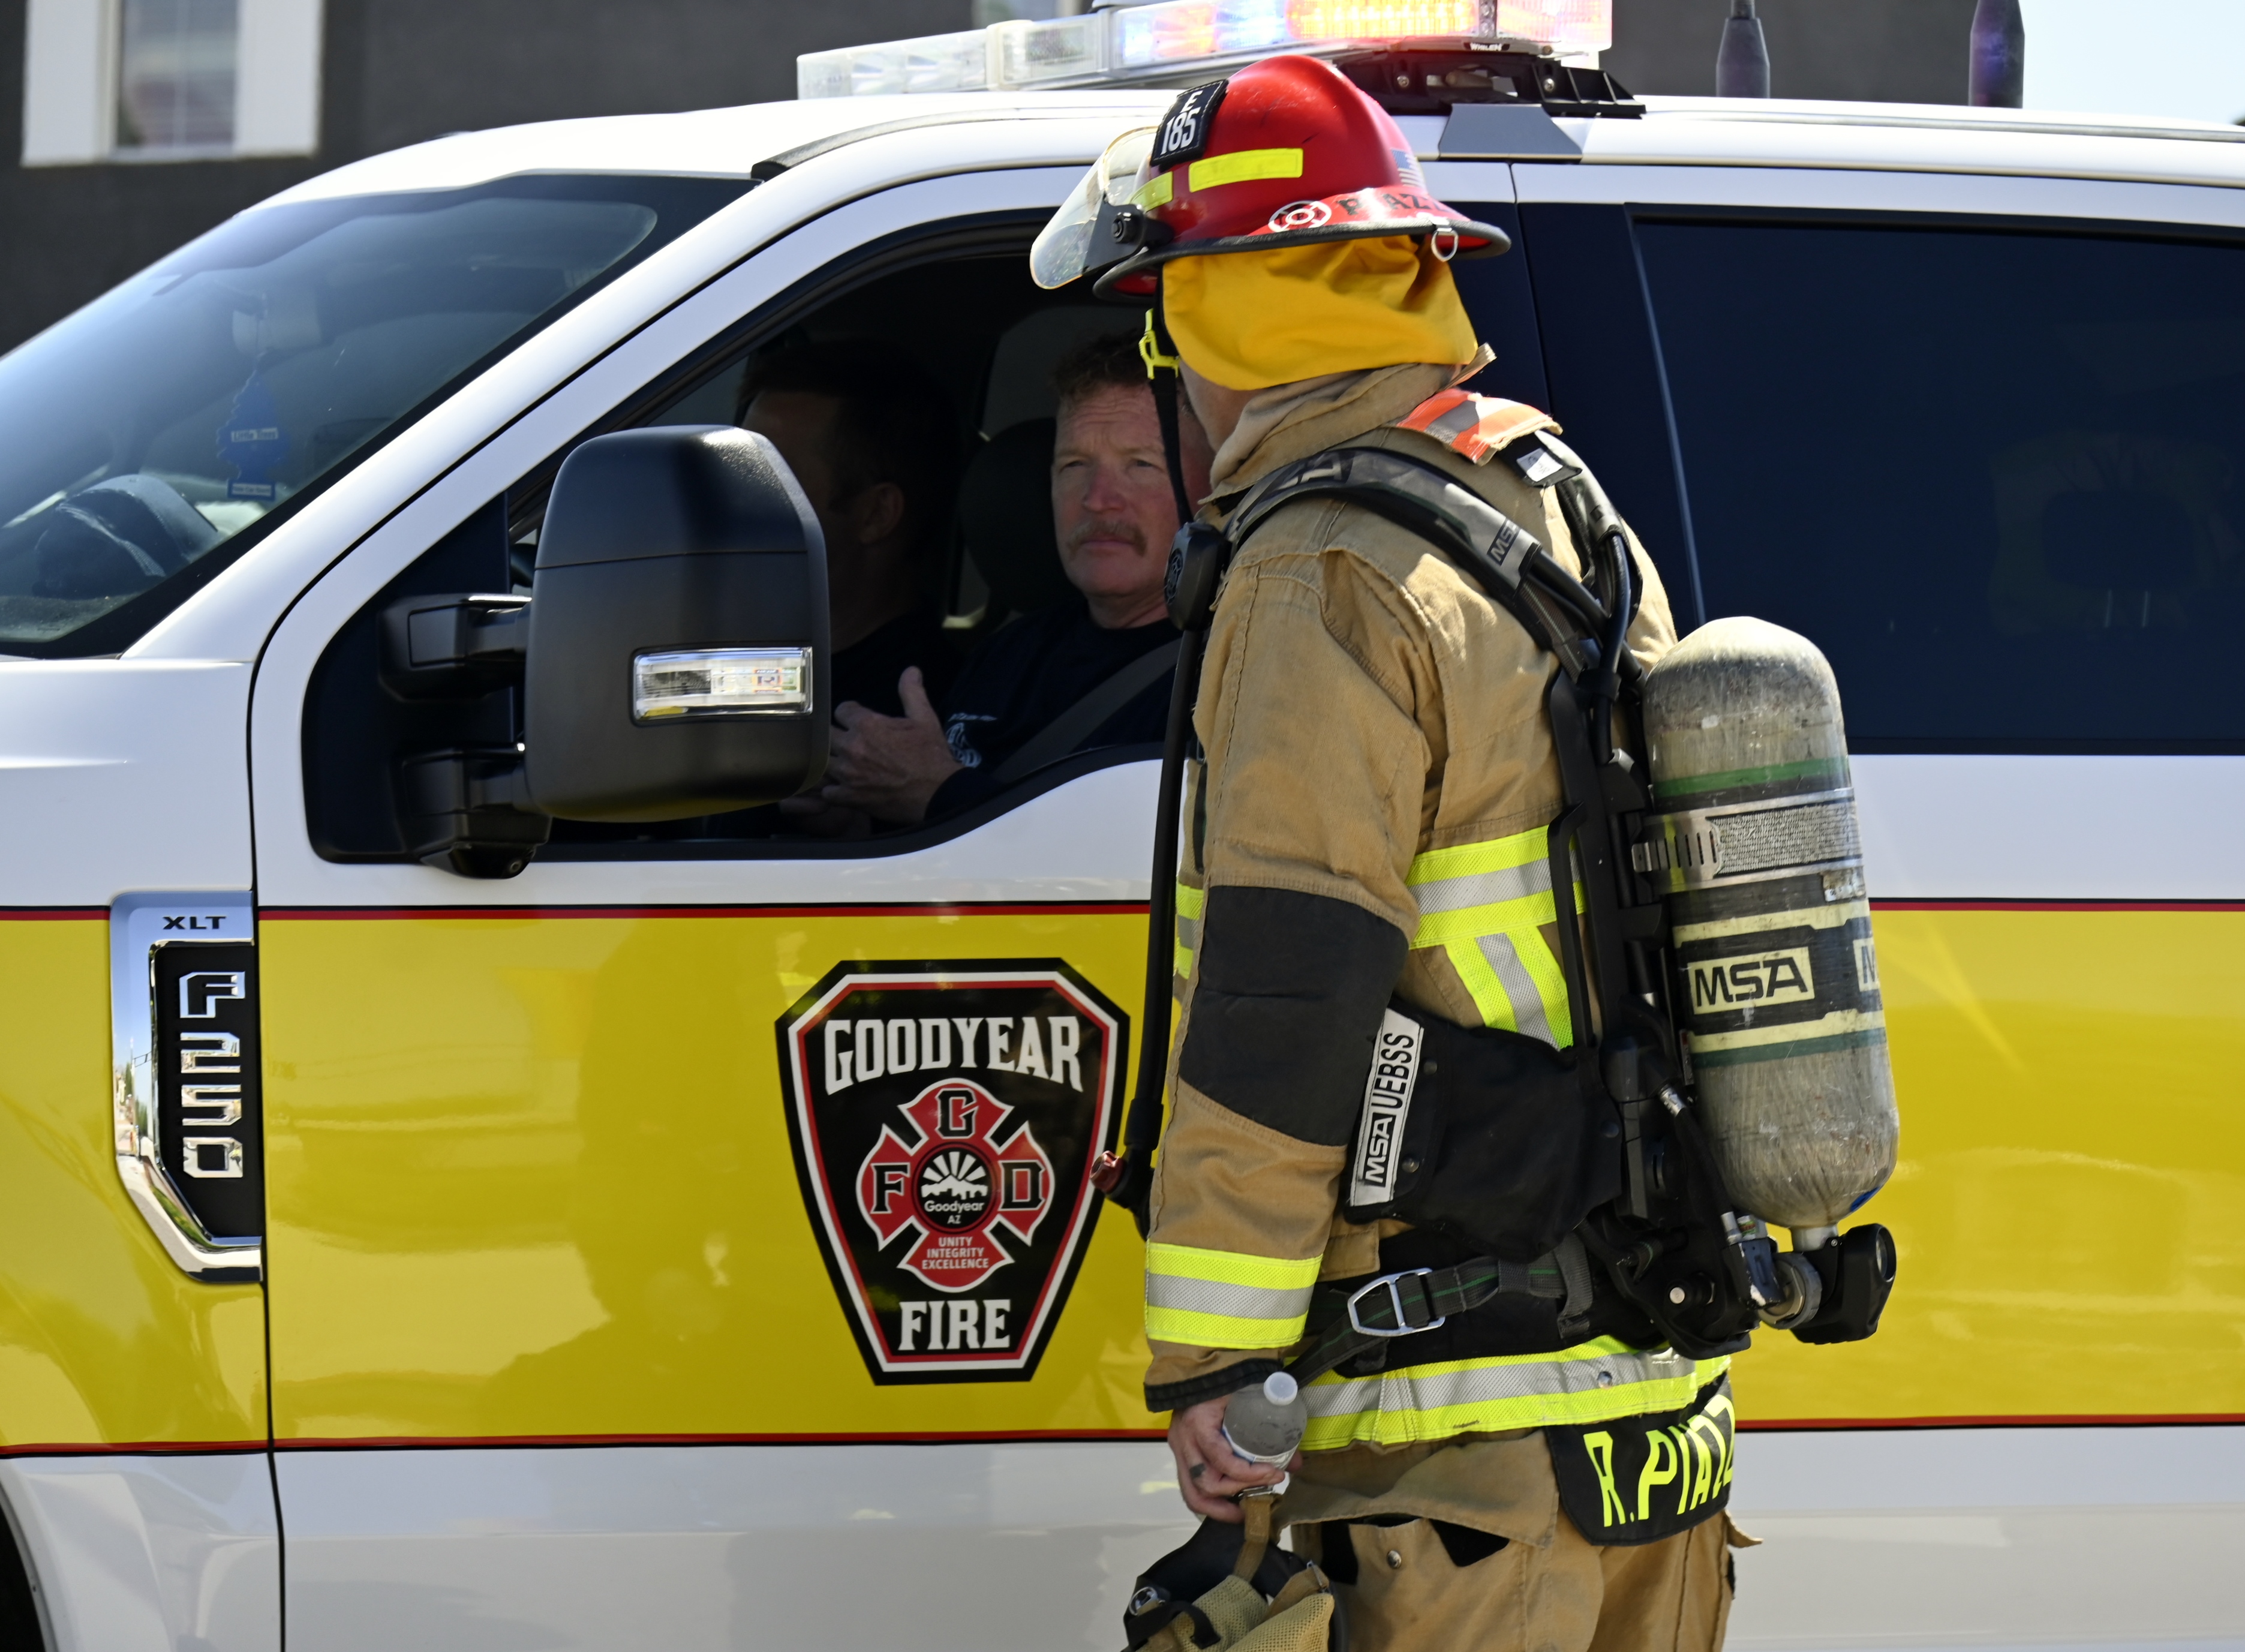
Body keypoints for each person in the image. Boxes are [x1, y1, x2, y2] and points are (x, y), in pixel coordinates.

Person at [1064, 56, 1745, 1652]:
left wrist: (1219, 1365)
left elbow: (1284, 998)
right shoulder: (1552, 504)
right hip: (1645, 1411)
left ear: (1212, 321)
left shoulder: (1319, 573)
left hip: (1455, 1443)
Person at [809, 329, 1213, 826]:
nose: (1096, 498)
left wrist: (938, 796)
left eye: (1141, 465)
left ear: (1216, 487)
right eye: (1074, 465)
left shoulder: (1225, 674)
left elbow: (1142, 859)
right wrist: (862, 822)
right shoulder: (1008, 656)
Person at [735, 339, 961, 717]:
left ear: (876, 514)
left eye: (767, 481)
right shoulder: (752, 661)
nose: (733, 506)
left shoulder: (903, 722)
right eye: (733, 473)